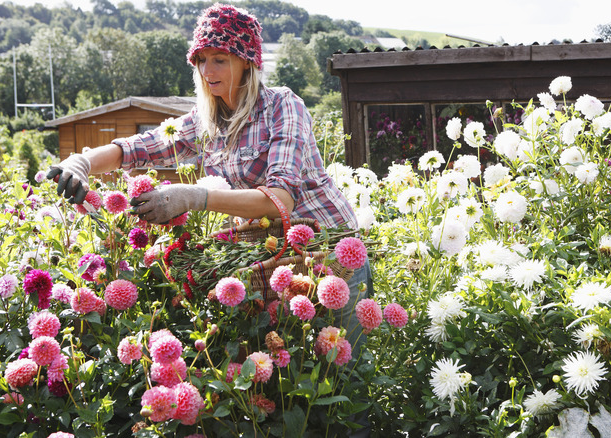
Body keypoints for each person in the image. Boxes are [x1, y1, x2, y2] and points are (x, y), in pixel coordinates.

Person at [45, 3, 371, 436]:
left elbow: (279, 200)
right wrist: (82, 162)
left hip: (331, 253)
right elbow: (141, 147)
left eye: (219, 58)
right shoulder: (207, 121)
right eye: (200, 60)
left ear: (248, 61)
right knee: (295, 388)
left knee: (344, 386)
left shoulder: (281, 107)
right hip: (279, 263)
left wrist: (195, 196)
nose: (207, 69)